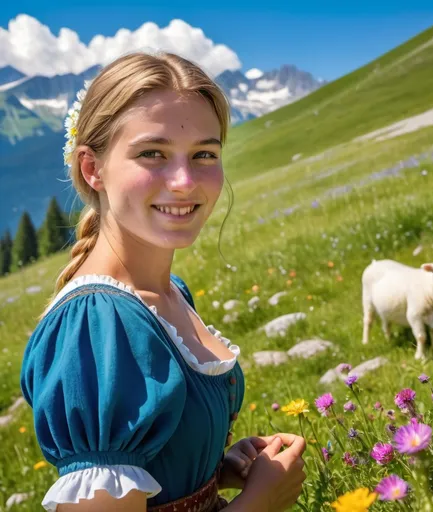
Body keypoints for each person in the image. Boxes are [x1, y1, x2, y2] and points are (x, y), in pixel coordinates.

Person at [19, 50, 306, 512]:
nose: (184, 181)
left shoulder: (167, 296)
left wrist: (212, 468)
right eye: (152, 153)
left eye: (204, 154)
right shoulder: (96, 327)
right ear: (93, 168)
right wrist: (260, 503)